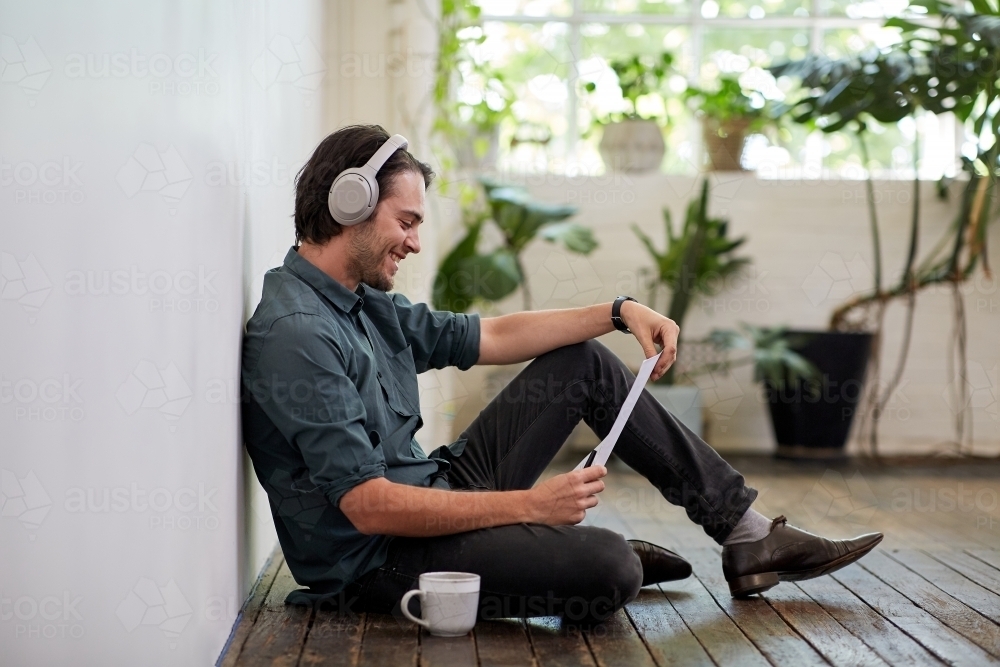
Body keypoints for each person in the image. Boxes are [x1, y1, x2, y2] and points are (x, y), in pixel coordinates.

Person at [241, 124, 882, 624]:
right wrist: (531, 508)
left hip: (438, 489)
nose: (413, 242)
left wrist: (617, 311)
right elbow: (369, 506)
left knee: (583, 363)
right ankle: (546, 548)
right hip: (383, 560)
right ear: (349, 205)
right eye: (406, 222)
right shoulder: (298, 334)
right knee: (609, 568)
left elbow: (491, 335)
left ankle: (746, 534)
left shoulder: (360, 299)